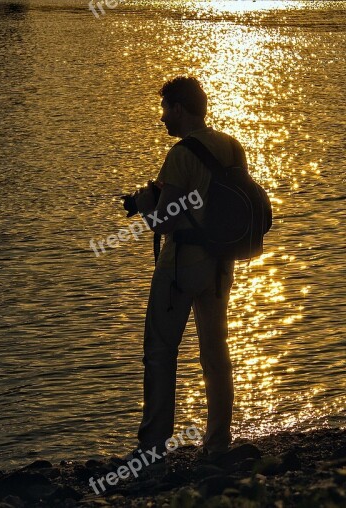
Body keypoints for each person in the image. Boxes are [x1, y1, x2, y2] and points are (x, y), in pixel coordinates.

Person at [131, 76, 248, 460]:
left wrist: (145, 205)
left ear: (179, 108)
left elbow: (164, 220)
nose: (162, 117)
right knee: (216, 354)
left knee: (160, 353)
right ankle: (217, 443)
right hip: (220, 265)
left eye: (165, 108)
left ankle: (153, 448)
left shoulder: (181, 154)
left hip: (181, 266)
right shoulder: (232, 146)